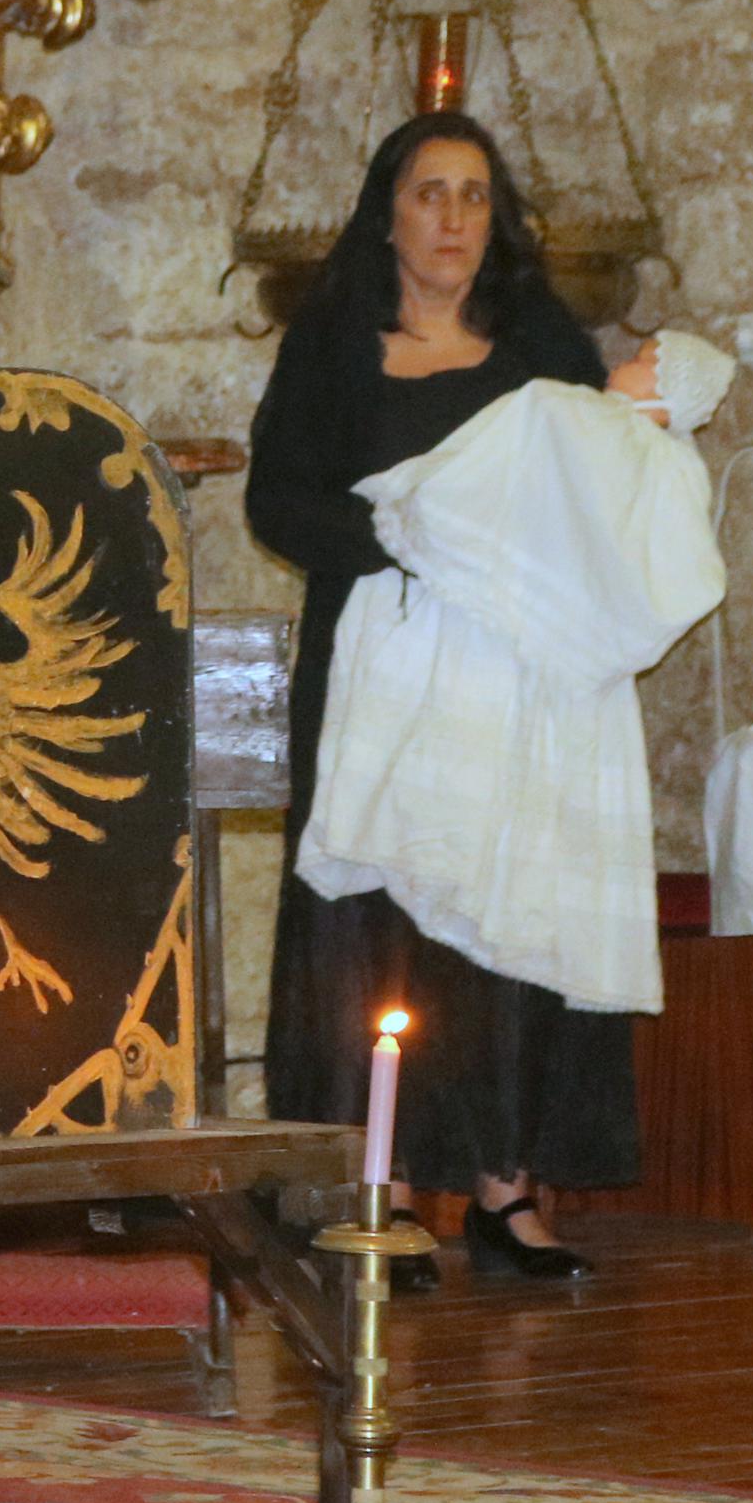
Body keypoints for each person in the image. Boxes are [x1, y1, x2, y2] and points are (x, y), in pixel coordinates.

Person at [248, 110, 658, 1283]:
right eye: (430, 193)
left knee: (505, 920)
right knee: (375, 926)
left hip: (512, 685)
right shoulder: (332, 342)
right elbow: (277, 502)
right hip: (378, 671)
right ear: (386, 212)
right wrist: (405, 538)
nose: (452, 220)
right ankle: (364, 1187)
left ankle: (502, 1188)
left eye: (473, 196)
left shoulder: (537, 341)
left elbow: (595, 480)